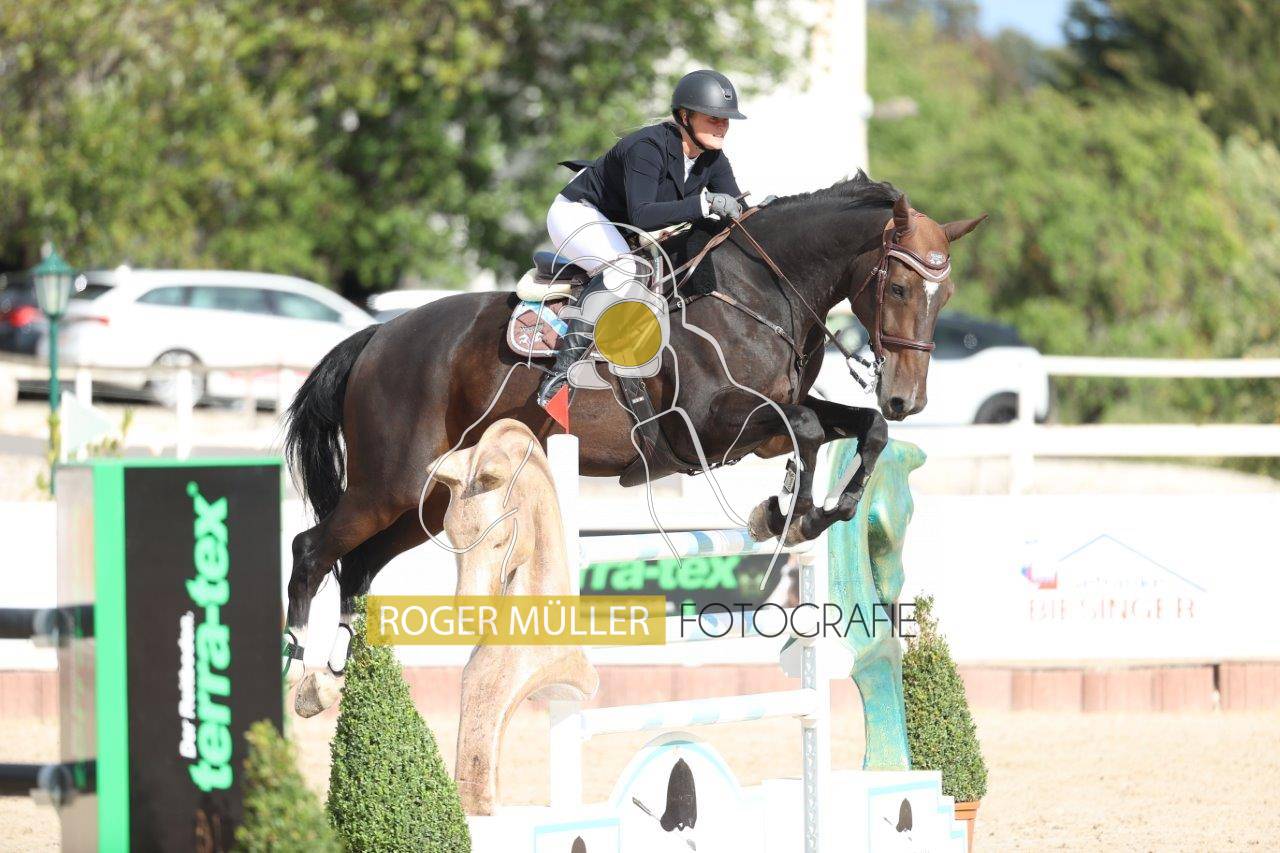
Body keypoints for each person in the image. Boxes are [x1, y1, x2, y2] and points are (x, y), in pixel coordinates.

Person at [536, 69, 748, 409]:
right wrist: (705, 203)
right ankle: (561, 374)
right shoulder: (647, 147)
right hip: (578, 212)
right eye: (714, 118)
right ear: (685, 117)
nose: (722, 126)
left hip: (618, 225)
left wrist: (761, 214)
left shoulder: (713, 159)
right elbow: (643, 215)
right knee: (626, 270)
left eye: (726, 120)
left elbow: (738, 212)